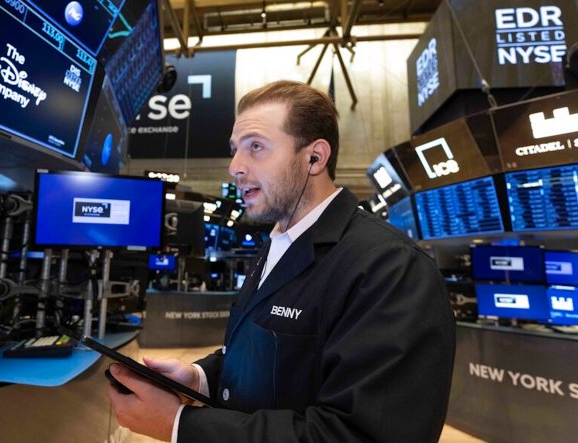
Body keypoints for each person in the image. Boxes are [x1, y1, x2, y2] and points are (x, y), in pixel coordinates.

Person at [106, 80, 455, 442]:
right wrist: (200, 378)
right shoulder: (277, 244)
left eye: (256, 147)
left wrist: (180, 425)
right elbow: (271, 355)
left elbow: (361, 435)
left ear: (315, 158)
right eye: (235, 150)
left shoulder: (390, 268)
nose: (235, 167)